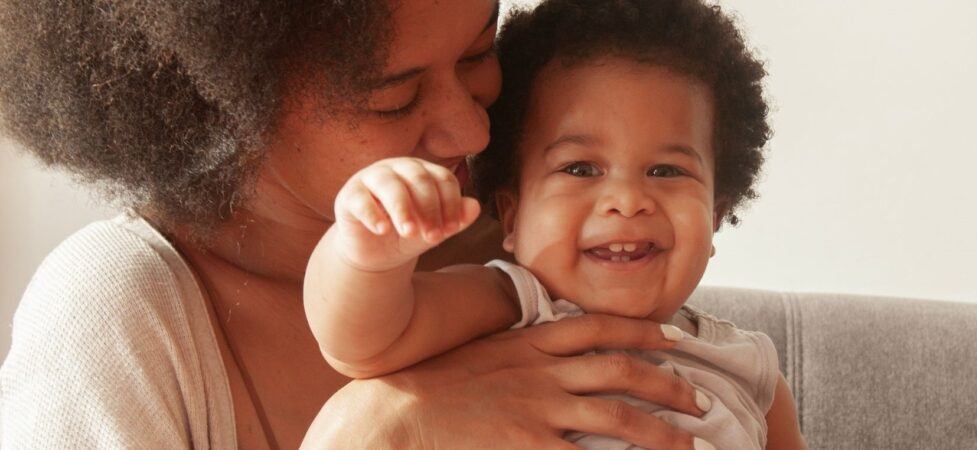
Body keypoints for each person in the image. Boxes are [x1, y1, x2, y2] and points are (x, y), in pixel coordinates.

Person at [0, 0, 716, 448]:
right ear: (230, 96)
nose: (472, 128)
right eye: (394, 100)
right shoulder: (116, 308)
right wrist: (376, 433)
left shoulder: (523, 241)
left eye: (476, 50)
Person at [303, 1, 807, 449]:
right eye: (580, 169)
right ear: (515, 215)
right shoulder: (513, 305)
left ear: (715, 217)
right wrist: (363, 250)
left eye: (666, 171)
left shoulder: (750, 369)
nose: (628, 201)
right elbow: (364, 343)